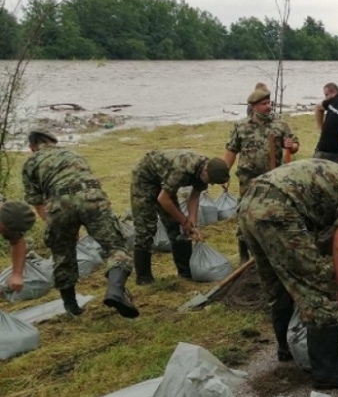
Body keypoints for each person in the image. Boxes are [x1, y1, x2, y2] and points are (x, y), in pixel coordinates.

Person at [238, 159, 338, 388]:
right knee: (318, 289)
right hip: (277, 210)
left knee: (279, 285)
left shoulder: (335, 173)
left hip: (249, 204)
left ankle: (286, 348)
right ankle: (328, 372)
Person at [21, 129, 138, 318]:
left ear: (32, 147)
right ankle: (115, 291)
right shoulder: (72, 153)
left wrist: (58, 227)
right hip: (92, 198)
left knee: (62, 255)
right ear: (54, 141)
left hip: (59, 204)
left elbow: (37, 202)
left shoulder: (31, 162)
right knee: (116, 247)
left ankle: (71, 306)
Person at [130, 150, 230, 285]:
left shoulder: (207, 170)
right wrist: (184, 220)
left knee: (174, 225)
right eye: (210, 181)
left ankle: (185, 272)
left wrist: (191, 222)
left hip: (164, 181)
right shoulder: (182, 169)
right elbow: (164, 199)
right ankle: (143, 277)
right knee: (145, 227)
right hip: (145, 178)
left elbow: (194, 196)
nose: (210, 184)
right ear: (205, 171)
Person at [225, 85, 300, 264]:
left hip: (273, 179)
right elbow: (231, 150)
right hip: (248, 179)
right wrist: (224, 174)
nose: (268, 106)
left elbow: (295, 145)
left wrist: (291, 145)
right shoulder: (241, 126)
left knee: (272, 213)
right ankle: (244, 252)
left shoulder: (279, 124)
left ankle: (271, 248)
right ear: (254, 106)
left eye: (269, 103)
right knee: (245, 213)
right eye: (264, 103)